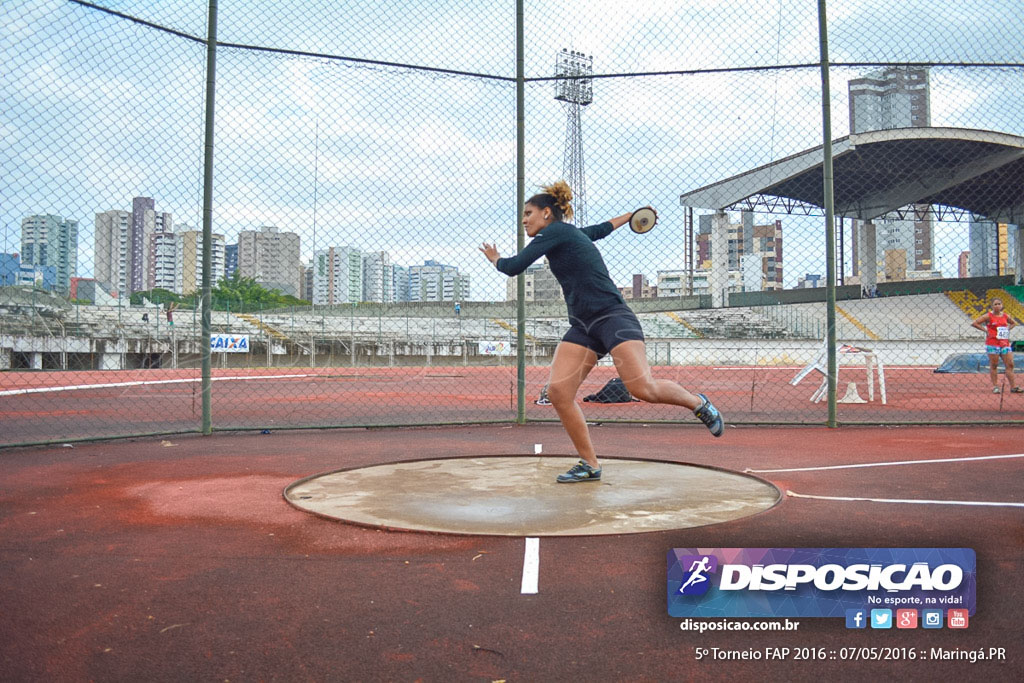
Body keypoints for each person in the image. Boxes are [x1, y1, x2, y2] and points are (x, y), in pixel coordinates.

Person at [480, 180, 723, 483]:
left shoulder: (553, 232)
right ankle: (589, 464)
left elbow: (514, 266)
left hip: (613, 318)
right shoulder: (570, 235)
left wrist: (495, 259)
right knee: (558, 393)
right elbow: (602, 229)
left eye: (528, 213)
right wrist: (632, 215)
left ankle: (698, 403)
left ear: (546, 213)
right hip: (583, 325)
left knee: (642, 389)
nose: (524, 220)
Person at [971, 297, 1021, 394]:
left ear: (1002, 305)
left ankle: (1013, 386)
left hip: (1004, 343)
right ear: (992, 306)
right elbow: (975, 323)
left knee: (1010, 364)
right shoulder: (988, 316)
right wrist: (986, 330)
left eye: (999, 304)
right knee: (994, 365)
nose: (997, 306)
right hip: (993, 344)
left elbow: (1014, 323)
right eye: (995, 304)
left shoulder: (1005, 316)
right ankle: (995, 386)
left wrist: (1007, 330)